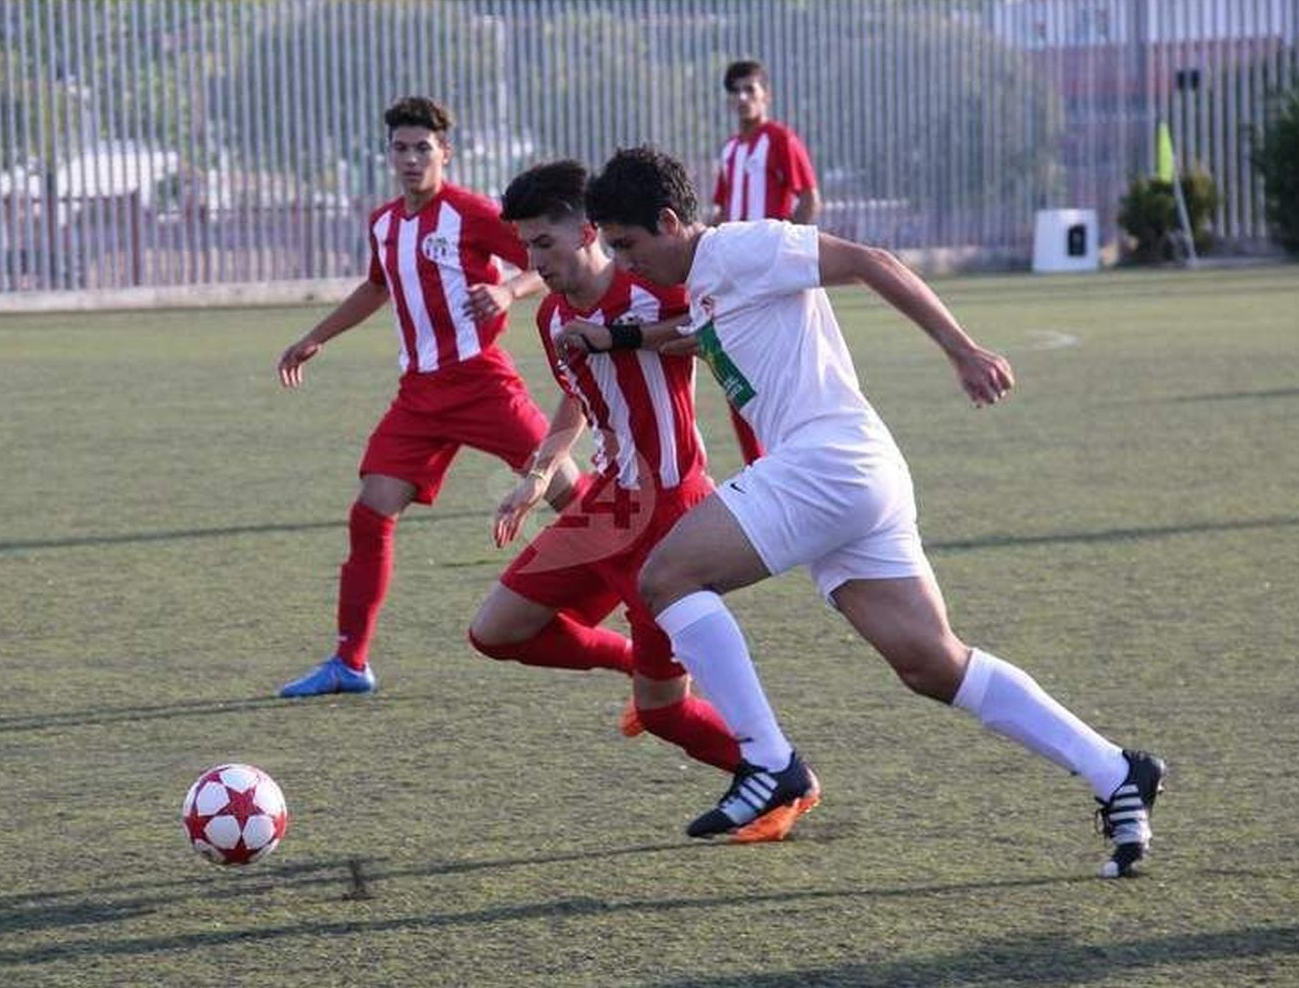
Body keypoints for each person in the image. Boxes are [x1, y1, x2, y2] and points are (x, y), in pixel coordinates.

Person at [585, 145, 1165, 878]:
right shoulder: (708, 283)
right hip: (854, 474)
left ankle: (769, 764)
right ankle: (1116, 770)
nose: (623, 261)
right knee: (932, 663)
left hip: (826, 461)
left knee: (666, 576)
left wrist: (962, 349)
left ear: (670, 222)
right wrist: (619, 338)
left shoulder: (741, 246)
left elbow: (870, 260)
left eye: (628, 245)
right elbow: (701, 334)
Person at [465, 160, 816, 843]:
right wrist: (540, 473)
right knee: (496, 631)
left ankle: (785, 776)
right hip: (604, 501)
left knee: (662, 714)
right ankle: (631, 657)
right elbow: (578, 392)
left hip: (670, 513)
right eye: (526, 248)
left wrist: (621, 336)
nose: (534, 261)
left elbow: (707, 334)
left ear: (590, 228)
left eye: (544, 244)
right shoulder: (551, 313)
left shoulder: (654, 286)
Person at [275, 97, 582, 698]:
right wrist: (316, 336)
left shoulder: (470, 212)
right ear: (388, 154)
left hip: (482, 382)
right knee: (371, 512)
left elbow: (550, 260)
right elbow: (375, 286)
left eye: (423, 147)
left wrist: (508, 289)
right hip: (418, 396)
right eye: (401, 148)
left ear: (446, 152)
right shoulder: (384, 223)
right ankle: (350, 662)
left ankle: (651, 601)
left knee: (575, 497)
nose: (411, 158)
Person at [710, 58, 822, 470]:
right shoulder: (730, 149)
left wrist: (786, 255)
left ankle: (793, 464)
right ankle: (760, 468)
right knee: (733, 375)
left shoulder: (779, 139)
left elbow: (809, 198)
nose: (742, 99)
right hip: (732, 278)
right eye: (735, 92)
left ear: (765, 95)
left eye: (749, 91)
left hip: (767, 275)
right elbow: (723, 212)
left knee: (781, 376)